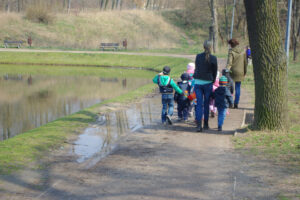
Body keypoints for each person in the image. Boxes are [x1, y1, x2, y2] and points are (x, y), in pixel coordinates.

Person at [193, 40, 218, 132]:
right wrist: (213, 80)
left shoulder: (198, 56)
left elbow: (197, 68)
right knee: (206, 104)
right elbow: (215, 72)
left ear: (203, 46)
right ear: (211, 47)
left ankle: (199, 125)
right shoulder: (213, 58)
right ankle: (206, 124)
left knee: (199, 104)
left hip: (198, 82)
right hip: (208, 82)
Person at [226, 38, 247, 109]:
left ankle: (230, 102)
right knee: (238, 88)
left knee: (230, 87)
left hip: (232, 72)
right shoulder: (243, 51)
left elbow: (229, 62)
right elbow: (245, 62)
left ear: (231, 45)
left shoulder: (231, 51)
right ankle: (236, 103)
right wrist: (245, 71)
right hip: (240, 71)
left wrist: (227, 70)